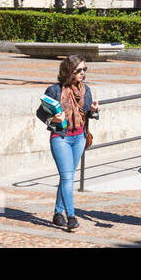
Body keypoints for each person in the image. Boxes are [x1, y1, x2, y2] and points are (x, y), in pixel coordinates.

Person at [37, 55, 99, 232]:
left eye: (84, 70)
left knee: (67, 176)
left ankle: (58, 214)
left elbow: (88, 114)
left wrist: (94, 111)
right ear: (68, 71)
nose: (82, 73)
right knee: (67, 177)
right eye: (78, 70)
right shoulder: (54, 91)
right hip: (61, 137)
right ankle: (71, 217)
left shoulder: (86, 90)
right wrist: (52, 119)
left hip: (79, 137)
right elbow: (40, 114)